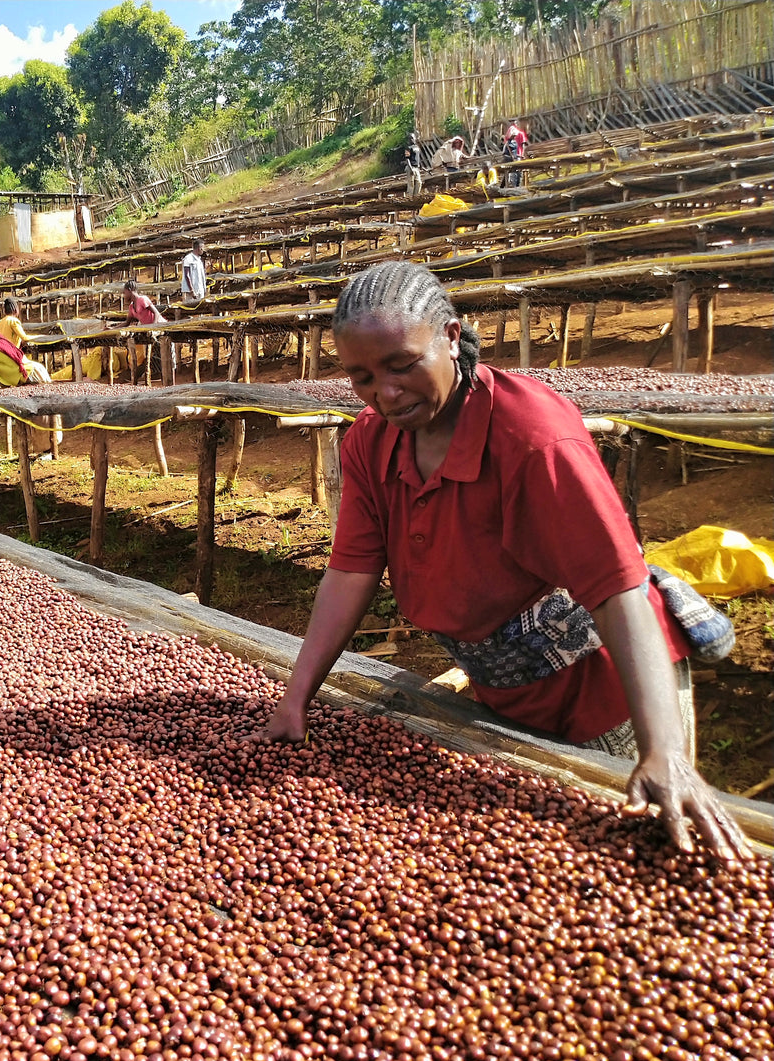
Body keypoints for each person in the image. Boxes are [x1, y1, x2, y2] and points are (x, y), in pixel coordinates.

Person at [255, 262, 749, 862]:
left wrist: (662, 750)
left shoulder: (532, 437)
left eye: (402, 365)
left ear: (451, 337)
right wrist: (297, 696)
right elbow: (352, 567)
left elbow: (617, 589)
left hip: (608, 689)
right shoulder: (370, 439)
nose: (384, 392)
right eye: (361, 377)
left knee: (629, 853)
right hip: (505, 686)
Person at [115, 281, 169, 383]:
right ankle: (152, 374)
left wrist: (153, 327)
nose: (124, 295)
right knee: (152, 354)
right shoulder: (132, 307)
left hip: (159, 327)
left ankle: (163, 375)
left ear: (130, 291)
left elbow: (156, 313)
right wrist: (112, 329)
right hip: (149, 330)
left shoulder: (142, 300)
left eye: (125, 292)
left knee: (160, 353)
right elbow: (126, 323)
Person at [503, 119, 528, 186]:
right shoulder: (513, 132)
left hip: (517, 155)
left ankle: (516, 184)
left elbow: (523, 145)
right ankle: (513, 185)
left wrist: (522, 154)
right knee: (513, 171)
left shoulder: (519, 133)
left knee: (517, 171)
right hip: (514, 156)